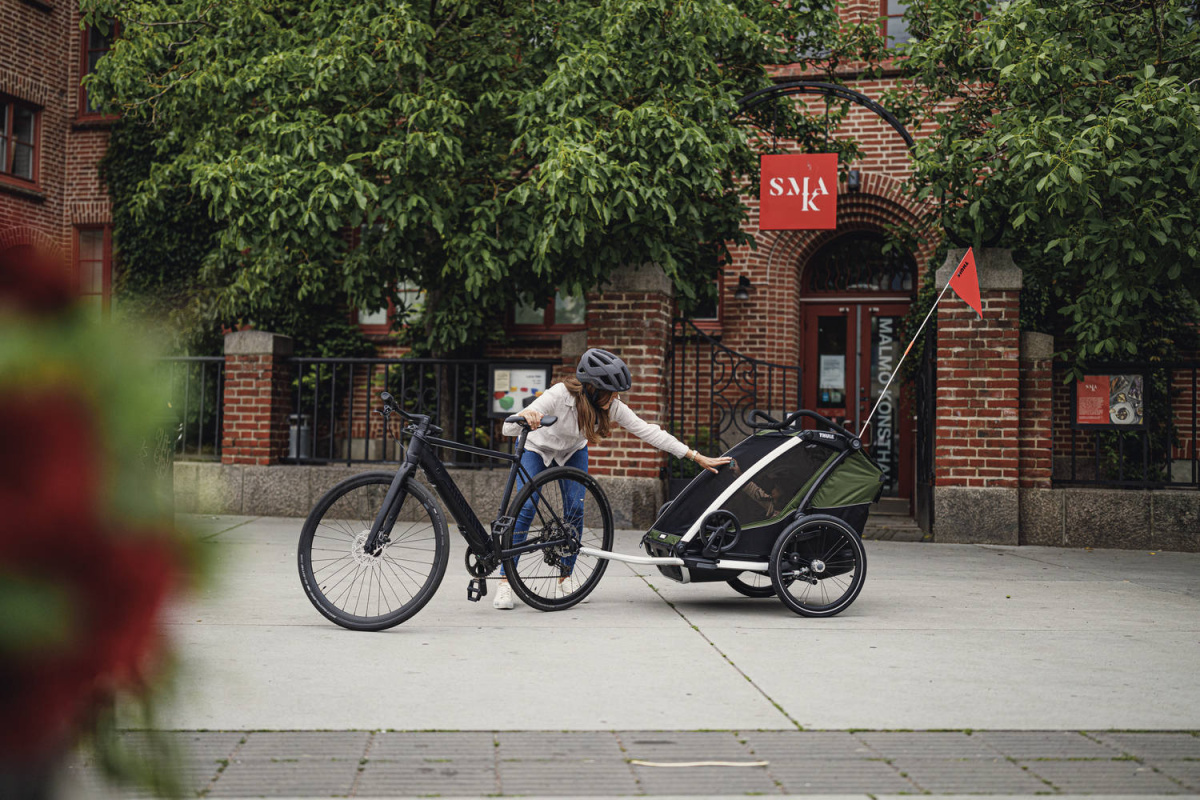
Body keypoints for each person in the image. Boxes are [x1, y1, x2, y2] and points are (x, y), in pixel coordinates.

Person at [493, 348, 730, 609]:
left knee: (575, 510)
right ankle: (505, 581)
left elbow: (649, 431)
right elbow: (508, 427)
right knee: (527, 507)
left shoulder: (611, 406)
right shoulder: (559, 394)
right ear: (592, 388)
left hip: (572, 451)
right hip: (536, 448)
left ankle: (565, 576)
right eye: (611, 391)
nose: (616, 397)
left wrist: (695, 456)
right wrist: (528, 416)